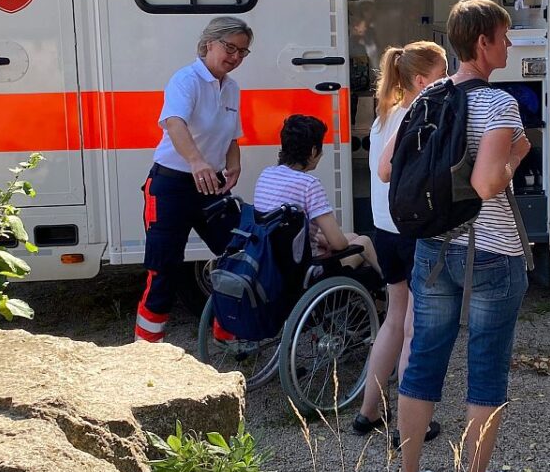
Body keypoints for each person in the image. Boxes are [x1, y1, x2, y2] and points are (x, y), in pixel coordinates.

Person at [394, 0, 531, 472]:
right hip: (491, 252)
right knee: (486, 367)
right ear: (483, 44)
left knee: (425, 360)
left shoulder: (427, 98)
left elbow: (388, 168)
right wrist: (517, 154)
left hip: (432, 247)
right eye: (504, 36)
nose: (510, 44)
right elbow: (486, 182)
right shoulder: (497, 105)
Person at [352, 41, 449, 443]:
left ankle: (367, 413)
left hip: (383, 230)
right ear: (423, 80)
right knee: (414, 327)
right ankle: (413, 424)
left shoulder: (383, 116)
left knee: (394, 319)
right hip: (412, 232)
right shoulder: (420, 117)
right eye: (444, 74)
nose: (448, 82)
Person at [136, 17, 249, 343]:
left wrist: (234, 162)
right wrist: (197, 161)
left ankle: (227, 335)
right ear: (208, 44)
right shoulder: (186, 79)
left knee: (239, 253)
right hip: (171, 185)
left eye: (242, 51)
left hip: (209, 185)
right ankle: (144, 352)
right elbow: (174, 123)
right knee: (164, 269)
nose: (235, 57)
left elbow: (231, 134)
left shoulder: (231, 87)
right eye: (230, 48)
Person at [253, 114, 382, 275]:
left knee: (352, 236)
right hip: (306, 269)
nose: (321, 154)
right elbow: (338, 244)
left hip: (273, 262)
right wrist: (328, 242)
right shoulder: (309, 185)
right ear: (313, 151)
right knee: (364, 241)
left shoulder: (266, 175)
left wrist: (321, 239)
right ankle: (391, 286)